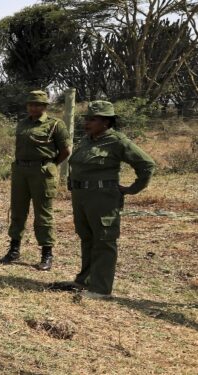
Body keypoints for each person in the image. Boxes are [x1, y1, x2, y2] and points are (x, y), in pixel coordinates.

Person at [50, 101, 155, 299]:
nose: (87, 123)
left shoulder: (117, 142)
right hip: (82, 198)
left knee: (104, 240)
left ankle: (100, 289)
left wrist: (133, 189)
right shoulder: (87, 140)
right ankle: (84, 280)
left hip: (103, 199)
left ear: (106, 122)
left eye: (93, 119)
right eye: (86, 119)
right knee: (87, 237)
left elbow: (147, 165)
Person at [0, 90, 72, 270]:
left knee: (43, 214)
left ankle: (46, 254)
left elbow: (66, 150)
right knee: (17, 211)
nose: (34, 107)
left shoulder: (55, 125)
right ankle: (14, 249)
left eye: (38, 104)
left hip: (42, 173)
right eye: (31, 104)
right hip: (20, 171)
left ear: (45, 107)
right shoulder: (22, 124)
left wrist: (50, 164)